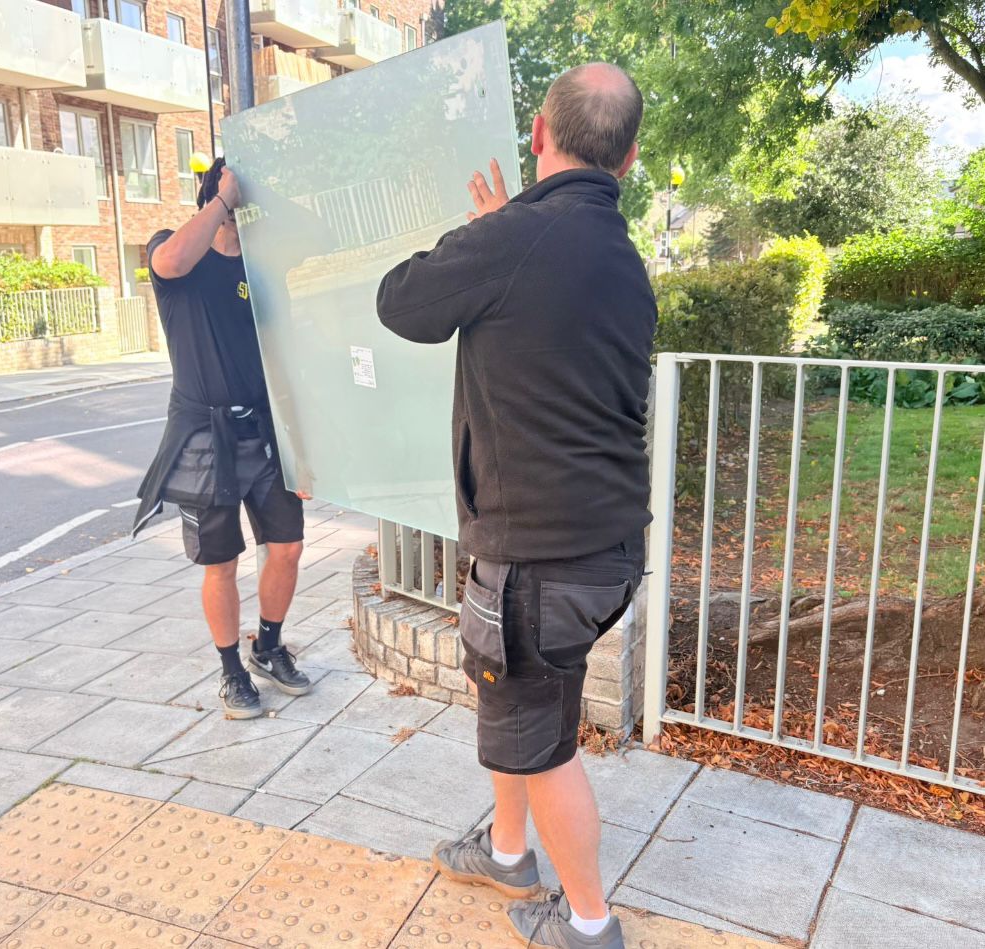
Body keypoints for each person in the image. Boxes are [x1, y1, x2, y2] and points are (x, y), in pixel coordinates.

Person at [377, 63, 656, 949]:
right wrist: (505, 231)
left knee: (541, 741)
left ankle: (588, 923)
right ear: (629, 158)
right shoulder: (623, 259)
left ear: (538, 133)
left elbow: (400, 301)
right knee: (517, 698)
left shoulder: (514, 237)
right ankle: (506, 852)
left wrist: (491, 227)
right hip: (604, 546)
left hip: (537, 557)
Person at [132, 157, 313, 720]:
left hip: (263, 431)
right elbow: (170, 261)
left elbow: (284, 356)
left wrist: (302, 447)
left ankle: (269, 647)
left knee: (287, 546)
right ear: (216, 197)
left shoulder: (260, 268)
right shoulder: (175, 251)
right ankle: (232, 670)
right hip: (203, 439)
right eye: (236, 196)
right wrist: (221, 202)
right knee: (223, 562)